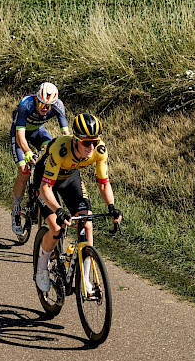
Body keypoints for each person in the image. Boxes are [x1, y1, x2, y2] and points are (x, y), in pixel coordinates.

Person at [32, 113, 122, 293]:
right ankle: (42, 266)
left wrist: (111, 207)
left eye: (94, 141)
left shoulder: (99, 150)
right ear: (75, 139)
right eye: (86, 143)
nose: (91, 147)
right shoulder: (60, 148)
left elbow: (104, 184)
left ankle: (85, 279)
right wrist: (58, 210)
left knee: (87, 224)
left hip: (69, 177)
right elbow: (45, 188)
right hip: (45, 181)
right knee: (56, 227)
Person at [10, 82, 69, 235]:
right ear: (36, 99)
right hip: (20, 134)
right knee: (24, 172)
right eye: (42, 104)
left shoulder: (58, 106)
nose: (44, 108)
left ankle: (43, 196)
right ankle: (16, 210)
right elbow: (20, 136)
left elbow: (66, 135)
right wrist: (27, 151)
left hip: (39, 133)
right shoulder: (26, 104)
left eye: (48, 106)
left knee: (51, 153)